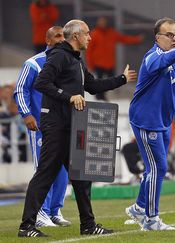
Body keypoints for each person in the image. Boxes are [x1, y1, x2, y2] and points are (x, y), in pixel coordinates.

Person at [17, 19, 137, 237]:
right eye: (87, 33)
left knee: (81, 177)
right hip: (56, 125)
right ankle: (27, 226)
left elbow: (92, 86)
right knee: (45, 173)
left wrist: (121, 79)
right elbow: (41, 83)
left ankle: (88, 225)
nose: (90, 37)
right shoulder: (59, 56)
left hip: (72, 125)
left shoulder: (76, 60)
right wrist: (69, 97)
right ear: (75, 36)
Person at [125, 17, 175, 231]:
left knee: (153, 168)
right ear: (158, 38)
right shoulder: (153, 57)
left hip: (164, 118)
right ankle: (150, 219)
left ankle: (139, 208)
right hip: (146, 119)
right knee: (158, 168)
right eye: (170, 35)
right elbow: (163, 63)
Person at [13, 26, 71, 227]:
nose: (61, 39)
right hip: (41, 125)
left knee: (63, 169)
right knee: (44, 168)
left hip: (63, 125)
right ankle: (40, 212)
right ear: (47, 41)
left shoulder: (68, 62)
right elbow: (20, 90)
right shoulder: (33, 64)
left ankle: (54, 210)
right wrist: (27, 114)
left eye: (64, 35)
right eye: (57, 36)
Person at [85, 16, 143, 101]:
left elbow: (123, 38)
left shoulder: (111, 33)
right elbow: (89, 51)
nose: (102, 23)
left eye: (104, 21)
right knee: (99, 82)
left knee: (111, 81)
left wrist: (137, 39)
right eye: (101, 22)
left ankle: (105, 97)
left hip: (110, 63)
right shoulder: (94, 34)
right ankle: (100, 98)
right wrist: (90, 64)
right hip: (99, 63)